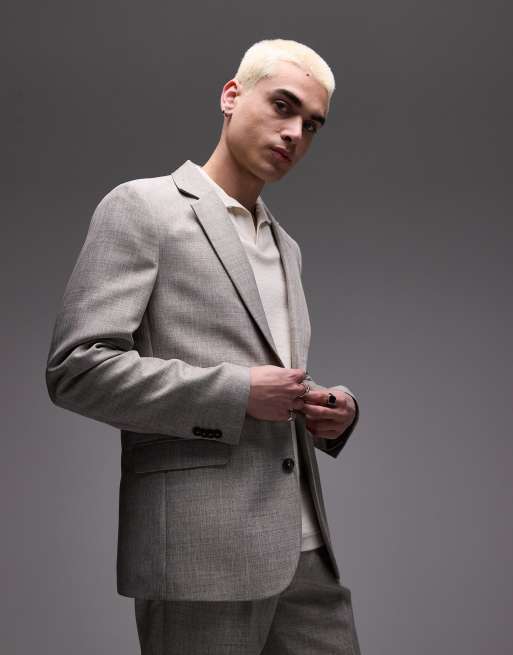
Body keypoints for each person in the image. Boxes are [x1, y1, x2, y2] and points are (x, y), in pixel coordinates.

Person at [45, 38, 362, 655]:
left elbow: (271, 378)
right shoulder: (143, 208)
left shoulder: (286, 247)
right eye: (283, 106)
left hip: (305, 553)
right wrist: (236, 393)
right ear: (231, 96)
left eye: (312, 125)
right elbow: (76, 369)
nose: (295, 133)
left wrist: (330, 411)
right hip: (200, 557)